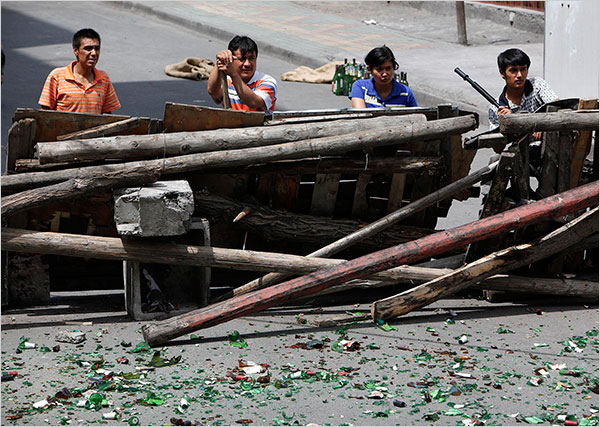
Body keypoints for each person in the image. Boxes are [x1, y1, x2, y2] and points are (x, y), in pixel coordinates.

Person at [38, 28, 120, 114]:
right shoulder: (57, 76)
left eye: (97, 48)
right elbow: (45, 113)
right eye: (88, 49)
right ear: (75, 50)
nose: (94, 53)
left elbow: (107, 115)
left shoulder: (104, 79)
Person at [488, 48, 557, 136]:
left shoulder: (537, 85)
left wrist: (542, 125)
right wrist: (507, 123)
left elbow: (557, 106)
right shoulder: (495, 108)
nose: (519, 75)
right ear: (502, 73)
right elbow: (497, 143)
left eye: (523, 69)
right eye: (513, 70)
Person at [207, 35, 277, 112]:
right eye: (242, 59)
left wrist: (234, 75)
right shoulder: (226, 80)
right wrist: (220, 62)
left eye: (251, 58)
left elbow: (254, 102)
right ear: (231, 60)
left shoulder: (267, 81)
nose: (247, 64)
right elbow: (213, 92)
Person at [349, 46, 417, 108]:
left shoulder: (405, 92)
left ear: (394, 67)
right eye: (379, 69)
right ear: (370, 70)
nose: (384, 74)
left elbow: (415, 115)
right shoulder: (361, 87)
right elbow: (360, 114)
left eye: (388, 68)